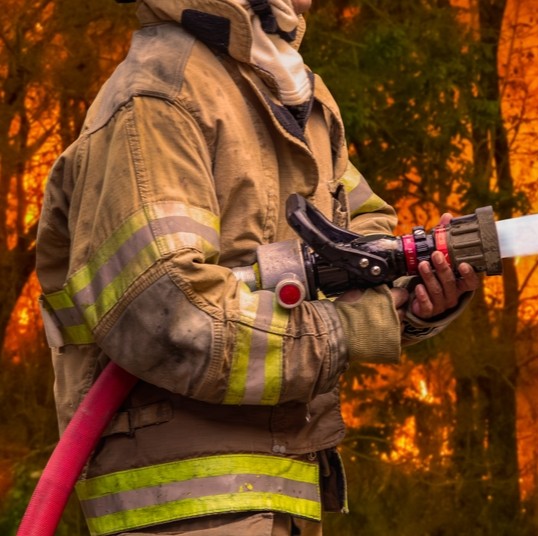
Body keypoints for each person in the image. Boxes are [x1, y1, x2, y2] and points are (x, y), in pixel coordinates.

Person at [34, 0, 479, 534]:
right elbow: (172, 316)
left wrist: (414, 289)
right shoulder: (159, 96)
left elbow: (365, 229)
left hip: (282, 484)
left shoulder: (290, 92)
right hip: (184, 501)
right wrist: (351, 327)